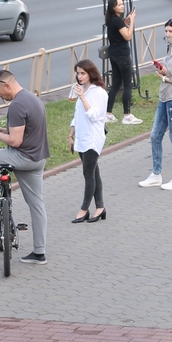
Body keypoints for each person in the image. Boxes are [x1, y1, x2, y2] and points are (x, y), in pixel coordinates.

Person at [0, 71, 51, 264]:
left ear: (7, 85)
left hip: (21, 156)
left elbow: (15, 141)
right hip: (38, 159)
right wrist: (2, 130)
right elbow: (26, 130)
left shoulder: (17, 105)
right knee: (37, 205)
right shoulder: (32, 98)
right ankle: (39, 253)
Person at [139, 18, 172, 191]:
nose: (168, 34)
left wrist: (166, 78)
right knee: (155, 135)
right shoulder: (171, 49)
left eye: (171, 31)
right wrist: (164, 70)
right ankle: (156, 174)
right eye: (166, 31)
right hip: (165, 97)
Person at [68, 60, 108, 222]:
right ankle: (100, 207)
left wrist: (83, 98)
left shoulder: (99, 93)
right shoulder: (81, 90)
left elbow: (94, 116)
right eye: (78, 73)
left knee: (88, 174)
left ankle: (84, 209)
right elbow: (78, 116)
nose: (80, 76)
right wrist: (71, 135)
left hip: (92, 138)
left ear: (91, 73)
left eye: (83, 73)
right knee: (94, 173)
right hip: (81, 138)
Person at [103, 0, 142, 126]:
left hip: (114, 55)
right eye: (119, 5)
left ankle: (108, 113)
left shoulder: (111, 20)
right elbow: (127, 36)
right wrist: (132, 22)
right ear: (113, 7)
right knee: (127, 85)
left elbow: (118, 30)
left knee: (115, 84)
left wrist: (125, 22)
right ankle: (127, 115)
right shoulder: (117, 21)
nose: (122, 6)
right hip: (122, 56)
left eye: (122, 4)